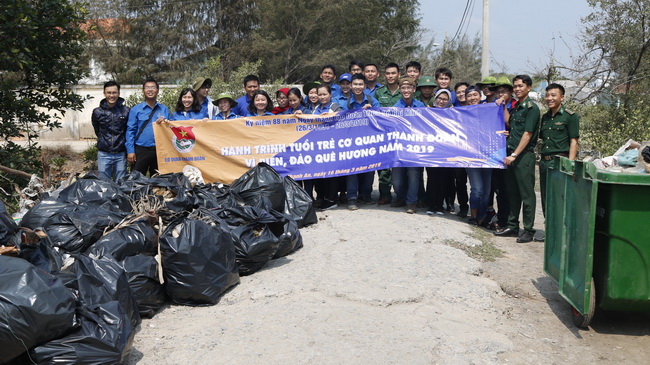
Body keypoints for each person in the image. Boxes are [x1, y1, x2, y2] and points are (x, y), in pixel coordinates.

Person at [494, 75, 540, 243]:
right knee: (512, 193)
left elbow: (527, 135)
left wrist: (514, 155)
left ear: (528, 87)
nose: (517, 89)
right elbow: (510, 125)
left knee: (527, 194)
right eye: (515, 86)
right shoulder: (516, 107)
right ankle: (513, 226)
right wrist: (503, 106)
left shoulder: (531, 108)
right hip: (511, 155)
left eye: (521, 86)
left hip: (523, 157)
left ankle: (528, 229)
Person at [537, 83, 580, 241]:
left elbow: (574, 141)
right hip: (545, 162)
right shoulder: (545, 117)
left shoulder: (570, 116)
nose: (549, 98)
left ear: (562, 97)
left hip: (560, 162)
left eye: (553, 95)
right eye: (547, 95)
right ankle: (550, 231)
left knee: (560, 198)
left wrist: (570, 164)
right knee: (546, 197)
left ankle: (562, 233)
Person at [391, 77, 425, 214]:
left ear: (414, 89)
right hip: (398, 148)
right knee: (397, 179)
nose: (406, 90)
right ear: (400, 90)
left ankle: (411, 202)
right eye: (403, 88)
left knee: (413, 175)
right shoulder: (394, 108)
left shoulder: (421, 106)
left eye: (409, 88)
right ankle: (401, 198)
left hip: (415, 147)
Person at [126, 77, 171, 176]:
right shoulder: (135, 110)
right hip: (141, 150)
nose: (150, 90)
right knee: (136, 181)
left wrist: (165, 123)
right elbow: (130, 131)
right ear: (143, 91)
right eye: (147, 87)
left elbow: (171, 130)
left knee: (159, 180)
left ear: (157, 90)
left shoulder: (164, 109)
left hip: (159, 150)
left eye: (153, 87)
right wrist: (130, 151)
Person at [486, 76, 514, 232]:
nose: (501, 94)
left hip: (510, 153)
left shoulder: (514, 105)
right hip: (495, 153)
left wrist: (502, 106)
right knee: (497, 188)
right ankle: (499, 218)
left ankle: (508, 221)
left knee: (507, 189)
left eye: (504, 91)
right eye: (498, 91)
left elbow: (509, 124)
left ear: (510, 91)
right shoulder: (491, 106)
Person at [463, 85, 493, 226]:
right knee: (477, 188)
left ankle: (482, 216)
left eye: (475, 95)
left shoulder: (489, 110)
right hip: (470, 156)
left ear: (480, 96)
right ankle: (473, 215)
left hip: (488, 156)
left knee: (486, 191)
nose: (472, 98)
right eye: (469, 95)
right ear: (466, 98)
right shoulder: (461, 113)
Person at [91, 80, 130, 182]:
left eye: (114, 92)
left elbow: (128, 131)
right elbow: (97, 130)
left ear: (118, 93)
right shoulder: (97, 112)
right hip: (104, 153)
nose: (111, 95)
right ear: (104, 93)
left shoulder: (126, 111)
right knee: (104, 185)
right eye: (109, 93)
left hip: (120, 154)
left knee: (121, 184)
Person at [425, 89, 453, 216]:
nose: (441, 101)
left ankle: (440, 205)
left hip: (446, 151)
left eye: (445, 99)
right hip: (431, 150)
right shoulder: (427, 112)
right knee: (432, 178)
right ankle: (431, 204)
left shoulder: (453, 113)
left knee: (443, 178)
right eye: (439, 98)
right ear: (435, 99)